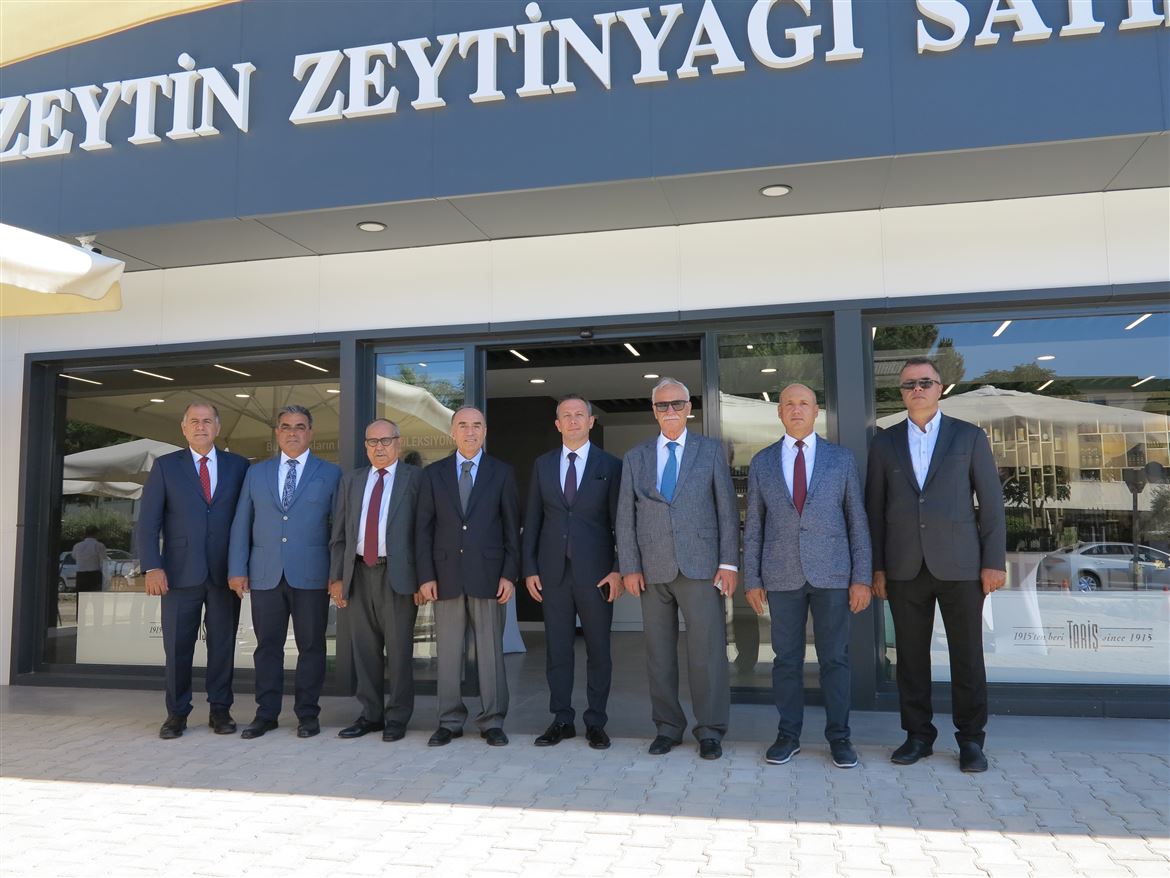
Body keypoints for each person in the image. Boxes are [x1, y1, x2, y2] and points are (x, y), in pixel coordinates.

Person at [865, 357, 1006, 773]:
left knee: (967, 657)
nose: (917, 389)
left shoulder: (969, 436)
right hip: (904, 567)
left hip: (961, 566)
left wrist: (993, 562)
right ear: (901, 392)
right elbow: (875, 511)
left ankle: (971, 740)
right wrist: (877, 568)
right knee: (910, 658)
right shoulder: (884, 443)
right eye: (909, 384)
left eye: (925, 382)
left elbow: (991, 504)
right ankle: (918, 736)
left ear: (940, 388)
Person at [742, 384, 872, 768]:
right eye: (789, 404)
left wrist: (861, 577)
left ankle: (840, 738)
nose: (796, 409)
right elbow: (754, 526)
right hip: (781, 574)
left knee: (835, 660)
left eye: (804, 404)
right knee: (786, 660)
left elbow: (857, 521)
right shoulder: (762, 462)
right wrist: (752, 578)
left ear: (817, 412)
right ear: (779, 412)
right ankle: (788, 735)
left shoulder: (840, 459)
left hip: (832, 573)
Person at [615, 377, 738, 760]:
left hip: (701, 566)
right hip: (652, 569)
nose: (670, 411)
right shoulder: (635, 457)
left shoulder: (710, 451)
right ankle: (667, 727)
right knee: (658, 654)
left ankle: (710, 730)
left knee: (707, 653)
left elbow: (727, 510)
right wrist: (629, 566)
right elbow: (625, 517)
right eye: (662, 405)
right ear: (654, 411)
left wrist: (729, 562)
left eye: (677, 404)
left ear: (689, 408)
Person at [136, 402, 249, 739]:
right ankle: (176, 714)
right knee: (177, 648)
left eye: (207, 421)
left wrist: (243, 567)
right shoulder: (166, 467)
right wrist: (152, 566)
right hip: (177, 574)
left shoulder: (239, 466)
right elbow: (148, 522)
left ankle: (220, 710)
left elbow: (247, 521)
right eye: (194, 421)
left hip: (225, 574)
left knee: (223, 646)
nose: (201, 426)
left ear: (218, 427)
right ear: (184, 428)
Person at [228, 405, 342, 740]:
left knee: (311, 647)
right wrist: (237, 569)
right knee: (267, 647)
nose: (293, 432)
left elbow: (339, 529)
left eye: (300, 426)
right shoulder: (256, 473)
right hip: (265, 573)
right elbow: (241, 523)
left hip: (312, 574)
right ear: (277, 432)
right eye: (286, 426)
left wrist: (337, 573)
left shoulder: (330, 473)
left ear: (311, 433)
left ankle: (307, 714)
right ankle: (266, 714)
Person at [522, 395, 623, 750]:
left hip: (597, 575)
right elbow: (533, 519)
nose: (574, 420)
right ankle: (561, 719)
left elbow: (621, 523)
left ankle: (596, 722)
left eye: (580, 415)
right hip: (553, 574)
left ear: (591, 422)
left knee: (599, 650)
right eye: (567, 415)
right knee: (558, 651)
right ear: (557, 424)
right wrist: (529, 568)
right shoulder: (543, 464)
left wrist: (618, 570)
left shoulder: (611, 465)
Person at [416, 405, 520, 747]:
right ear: (452, 432)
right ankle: (449, 721)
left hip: (489, 575)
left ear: (485, 431)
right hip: (444, 575)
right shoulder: (433, 474)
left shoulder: (502, 473)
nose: (470, 431)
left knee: (490, 654)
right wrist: (426, 575)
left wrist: (509, 574)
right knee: (448, 654)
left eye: (477, 425)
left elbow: (511, 529)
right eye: (463, 425)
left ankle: (493, 721)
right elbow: (423, 530)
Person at [328, 418, 422, 742]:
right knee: (364, 651)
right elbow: (339, 534)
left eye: (385, 441)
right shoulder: (351, 481)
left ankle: (398, 717)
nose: (379, 447)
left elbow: (424, 532)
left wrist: (423, 579)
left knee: (398, 651)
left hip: (398, 576)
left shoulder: (415, 479)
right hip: (357, 574)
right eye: (372, 442)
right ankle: (371, 715)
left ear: (398, 442)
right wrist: (337, 577)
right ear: (366, 446)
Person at [72, 526, 107, 593]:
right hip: (94, 575)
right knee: (96, 597)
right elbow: (103, 561)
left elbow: (74, 557)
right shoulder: (99, 545)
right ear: (96, 534)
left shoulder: (77, 546)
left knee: (81, 597)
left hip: (81, 575)